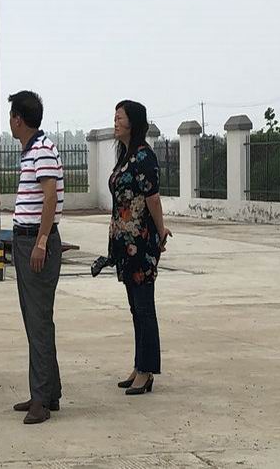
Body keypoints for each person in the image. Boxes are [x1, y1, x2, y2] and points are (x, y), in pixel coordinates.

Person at [107, 100, 170, 396]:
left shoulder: (144, 156)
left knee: (144, 308)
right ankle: (139, 365)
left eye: (119, 118)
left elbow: (152, 198)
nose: (115, 122)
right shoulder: (126, 156)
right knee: (135, 308)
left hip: (141, 243)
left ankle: (147, 371)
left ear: (133, 122)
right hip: (125, 243)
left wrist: (161, 231)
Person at [8, 91, 63, 424]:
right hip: (26, 239)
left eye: (11, 116)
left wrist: (41, 241)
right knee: (36, 320)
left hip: (35, 241)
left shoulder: (41, 150)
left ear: (18, 119)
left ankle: (41, 400)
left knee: (39, 322)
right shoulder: (32, 150)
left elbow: (50, 197)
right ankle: (48, 392)